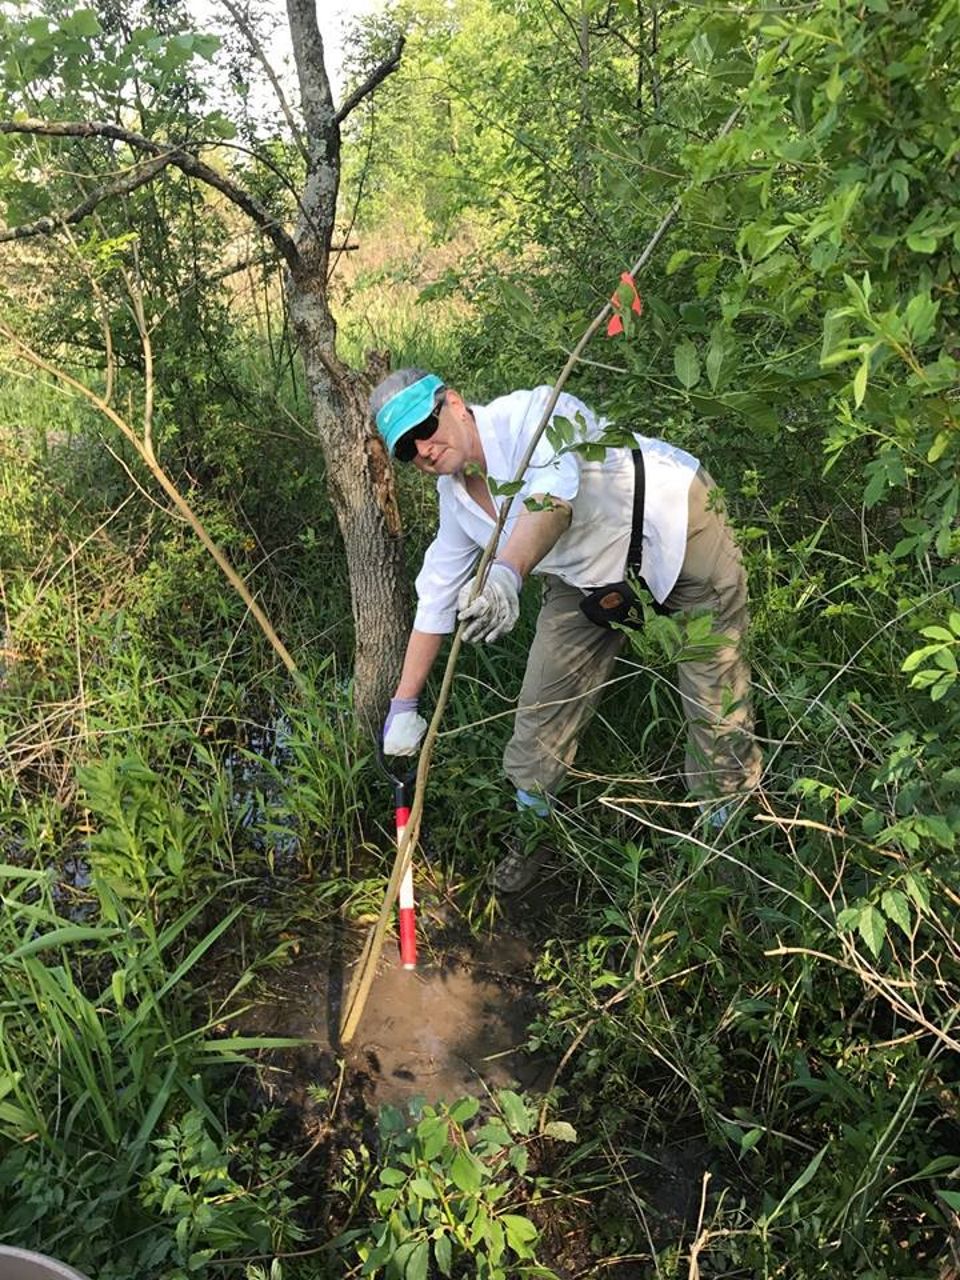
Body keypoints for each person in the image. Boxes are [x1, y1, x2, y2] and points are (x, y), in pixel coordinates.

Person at [371, 368, 762, 892]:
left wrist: (507, 574)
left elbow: (552, 500)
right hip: (585, 581)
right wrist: (404, 705)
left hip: (677, 531)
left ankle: (724, 862)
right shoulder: (456, 501)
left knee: (716, 706)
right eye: (406, 450)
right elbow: (436, 594)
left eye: (425, 426)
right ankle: (531, 836)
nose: (423, 449)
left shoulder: (537, 414)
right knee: (540, 710)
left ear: (455, 403)